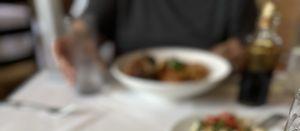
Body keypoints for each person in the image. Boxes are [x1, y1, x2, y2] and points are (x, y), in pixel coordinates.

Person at [53, 0, 257, 84]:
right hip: (127, 98)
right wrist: (76, 42)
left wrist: (235, 54)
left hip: (209, 99)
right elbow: (86, 27)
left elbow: (245, 44)